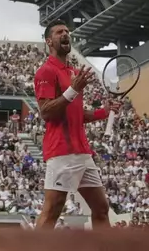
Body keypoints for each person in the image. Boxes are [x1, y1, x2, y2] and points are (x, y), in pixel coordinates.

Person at [33, 19, 119, 230]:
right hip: (62, 151)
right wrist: (73, 90)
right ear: (49, 41)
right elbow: (46, 112)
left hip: (82, 152)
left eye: (67, 31)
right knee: (53, 209)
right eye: (59, 32)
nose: (65, 34)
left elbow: (76, 114)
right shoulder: (46, 71)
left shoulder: (72, 72)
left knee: (101, 208)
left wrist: (104, 111)